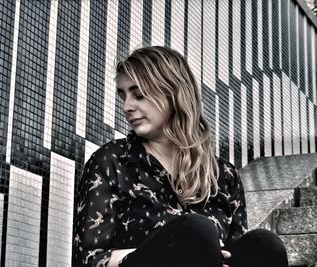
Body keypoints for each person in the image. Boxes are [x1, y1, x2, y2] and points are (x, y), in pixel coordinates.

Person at [73, 46, 289, 267]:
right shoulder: (112, 161)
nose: (127, 106)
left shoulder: (224, 176)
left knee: (265, 245)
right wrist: (169, 250)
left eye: (138, 95)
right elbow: (89, 260)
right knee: (195, 231)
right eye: (123, 95)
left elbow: (233, 255)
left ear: (173, 93)